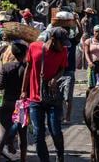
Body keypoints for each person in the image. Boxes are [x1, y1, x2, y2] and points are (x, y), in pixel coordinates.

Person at [20, 27, 70, 162]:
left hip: (53, 98)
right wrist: (24, 90)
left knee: (55, 131)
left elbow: (62, 68)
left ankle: (60, 155)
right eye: (62, 43)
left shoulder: (63, 51)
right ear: (53, 39)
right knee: (38, 133)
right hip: (35, 98)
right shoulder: (34, 47)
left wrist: (56, 78)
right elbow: (28, 69)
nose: (64, 46)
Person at [0, 43, 28, 162]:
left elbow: (0, 86)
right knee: (23, 135)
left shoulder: (6, 67)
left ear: (13, 53)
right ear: (25, 53)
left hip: (7, 102)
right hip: (21, 104)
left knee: (2, 134)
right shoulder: (27, 67)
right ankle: (23, 159)